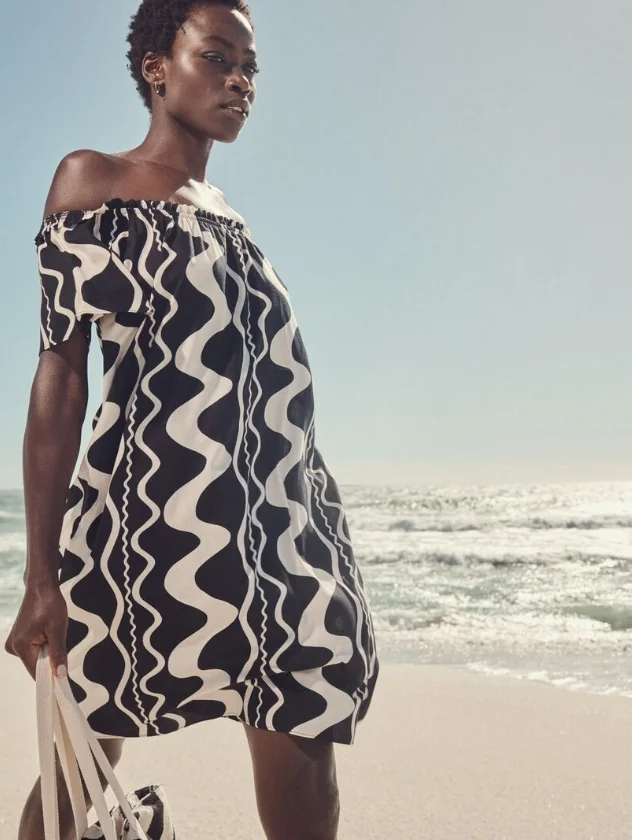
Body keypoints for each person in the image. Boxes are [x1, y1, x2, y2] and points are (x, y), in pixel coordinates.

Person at [4, 1, 379, 837]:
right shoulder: (92, 179)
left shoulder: (230, 217)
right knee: (82, 754)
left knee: (304, 730)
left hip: (279, 532)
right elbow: (60, 378)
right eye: (217, 57)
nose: (240, 81)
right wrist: (41, 580)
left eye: (251, 67)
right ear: (155, 68)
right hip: (146, 526)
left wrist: (318, 529)